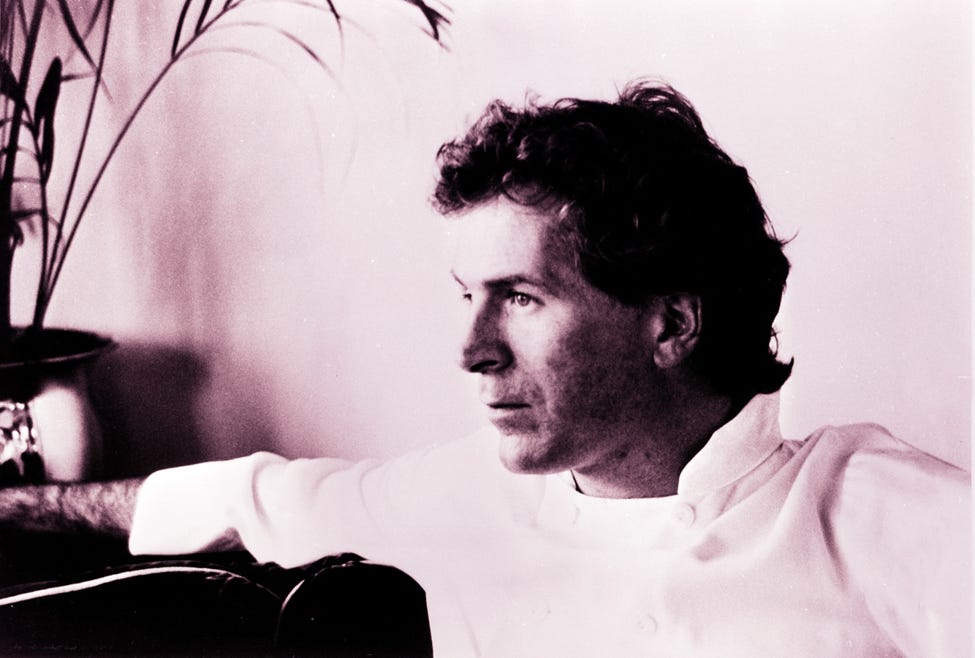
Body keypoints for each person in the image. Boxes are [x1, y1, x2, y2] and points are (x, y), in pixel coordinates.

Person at [1, 82, 970, 656]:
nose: (471, 350)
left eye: (523, 297)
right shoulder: (458, 499)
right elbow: (243, 499)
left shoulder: (884, 513)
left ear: (672, 323)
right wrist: (18, 507)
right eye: (466, 295)